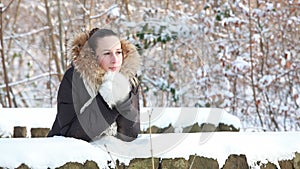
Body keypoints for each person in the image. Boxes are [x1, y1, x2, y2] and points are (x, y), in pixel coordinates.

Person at [47, 28, 141, 142]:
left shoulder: (129, 78)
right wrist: (105, 101)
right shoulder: (74, 78)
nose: (115, 60)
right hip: (65, 154)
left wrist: (123, 99)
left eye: (118, 52)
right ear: (92, 56)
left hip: (109, 155)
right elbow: (71, 135)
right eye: (107, 53)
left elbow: (130, 135)